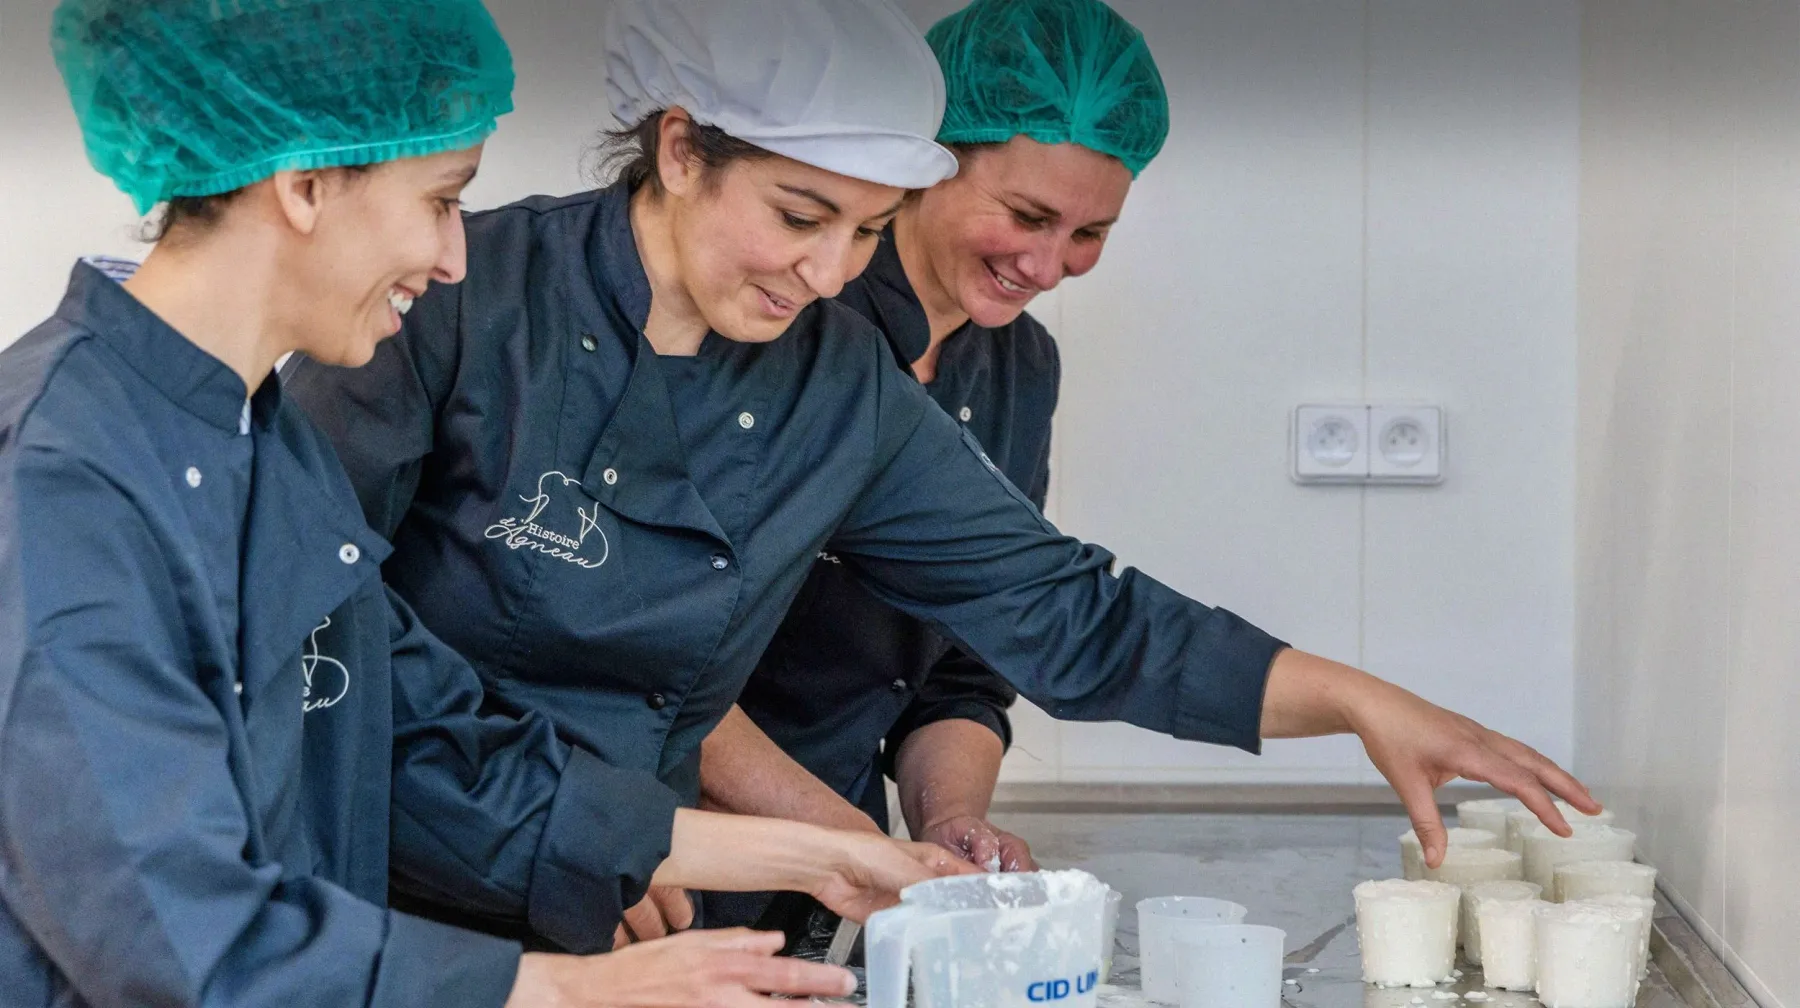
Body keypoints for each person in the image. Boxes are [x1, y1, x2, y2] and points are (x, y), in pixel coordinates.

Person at [284, 0, 1597, 948]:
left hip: (645, 888)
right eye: (799, 218)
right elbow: (315, 627)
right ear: (681, 150)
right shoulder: (454, 297)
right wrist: (573, 835)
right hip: (389, 887)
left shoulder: (837, 384)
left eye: (860, 233)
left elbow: (1069, 611)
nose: (828, 277)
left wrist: (1361, 701)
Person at [0, 2, 962, 1005]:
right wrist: (565, 991)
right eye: (441, 199)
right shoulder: (65, 466)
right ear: (307, 184)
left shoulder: (265, 442)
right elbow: (172, 933)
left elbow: (429, 743)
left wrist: (812, 860)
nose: (455, 258)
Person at [702, 0, 1179, 889]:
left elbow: (967, 658)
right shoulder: (779, 319)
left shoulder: (1019, 366)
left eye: (1089, 234)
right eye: (1028, 214)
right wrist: (840, 841)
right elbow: (636, 657)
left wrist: (949, 819)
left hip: (843, 869)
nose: (1047, 267)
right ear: (924, 163)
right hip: (660, 849)